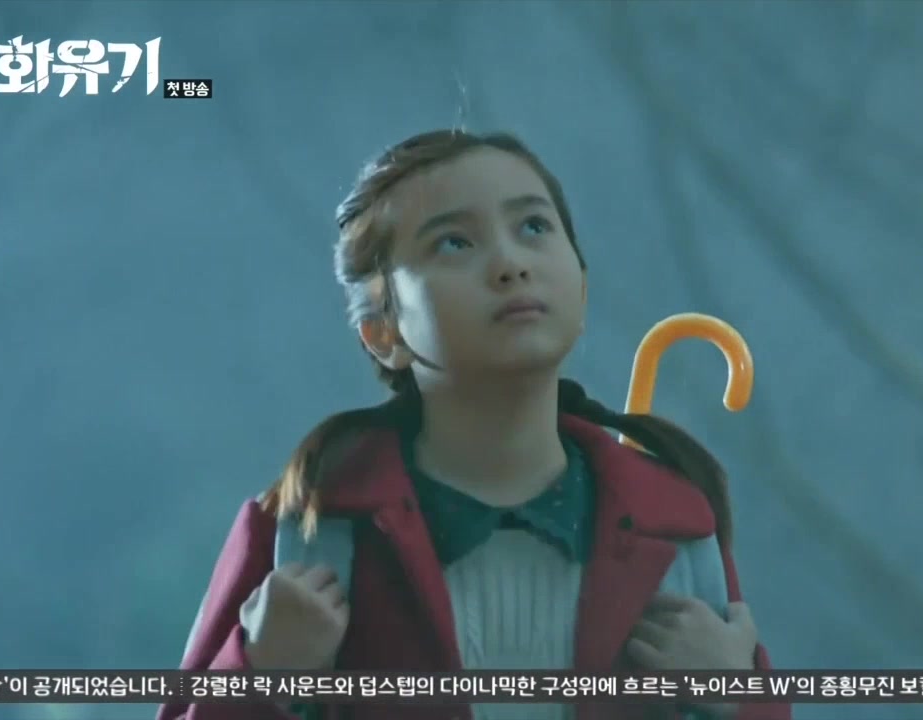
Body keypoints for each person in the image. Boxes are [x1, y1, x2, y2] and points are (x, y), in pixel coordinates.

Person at [158, 130, 790, 720]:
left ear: (581, 285)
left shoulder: (675, 522)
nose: (511, 264)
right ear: (382, 332)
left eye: (534, 226)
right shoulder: (309, 531)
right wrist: (260, 672)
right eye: (453, 243)